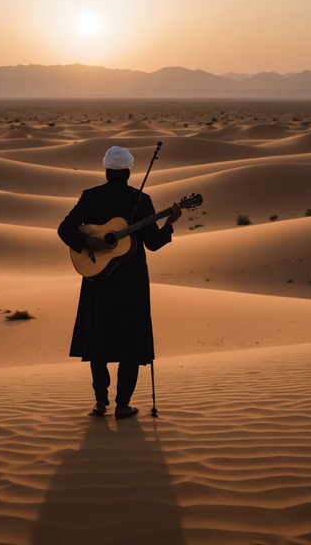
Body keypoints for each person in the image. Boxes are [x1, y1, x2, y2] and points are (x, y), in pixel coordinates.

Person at [58, 145, 181, 419]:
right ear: (128, 171)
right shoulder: (142, 199)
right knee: (130, 341)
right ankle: (123, 405)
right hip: (131, 284)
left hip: (98, 281)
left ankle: (100, 403)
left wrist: (86, 243)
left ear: (106, 170)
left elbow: (64, 229)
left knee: (98, 341)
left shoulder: (90, 197)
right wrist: (170, 224)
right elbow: (153, 243)